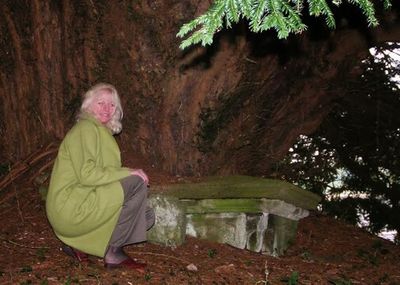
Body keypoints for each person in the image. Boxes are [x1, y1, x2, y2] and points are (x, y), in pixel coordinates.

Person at [46, 83, 155, 273]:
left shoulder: (100, 132)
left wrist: (124, 174)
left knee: (146, 217)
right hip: (71, 207)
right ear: (89, 105)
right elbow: (87, 174)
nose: (106, 108)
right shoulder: (86, 129)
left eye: (112, 105)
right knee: (137, 182)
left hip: (85, 200)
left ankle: (79, 244)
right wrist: (128, 172)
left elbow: (103, 176)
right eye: (100, 103)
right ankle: (113, 253)